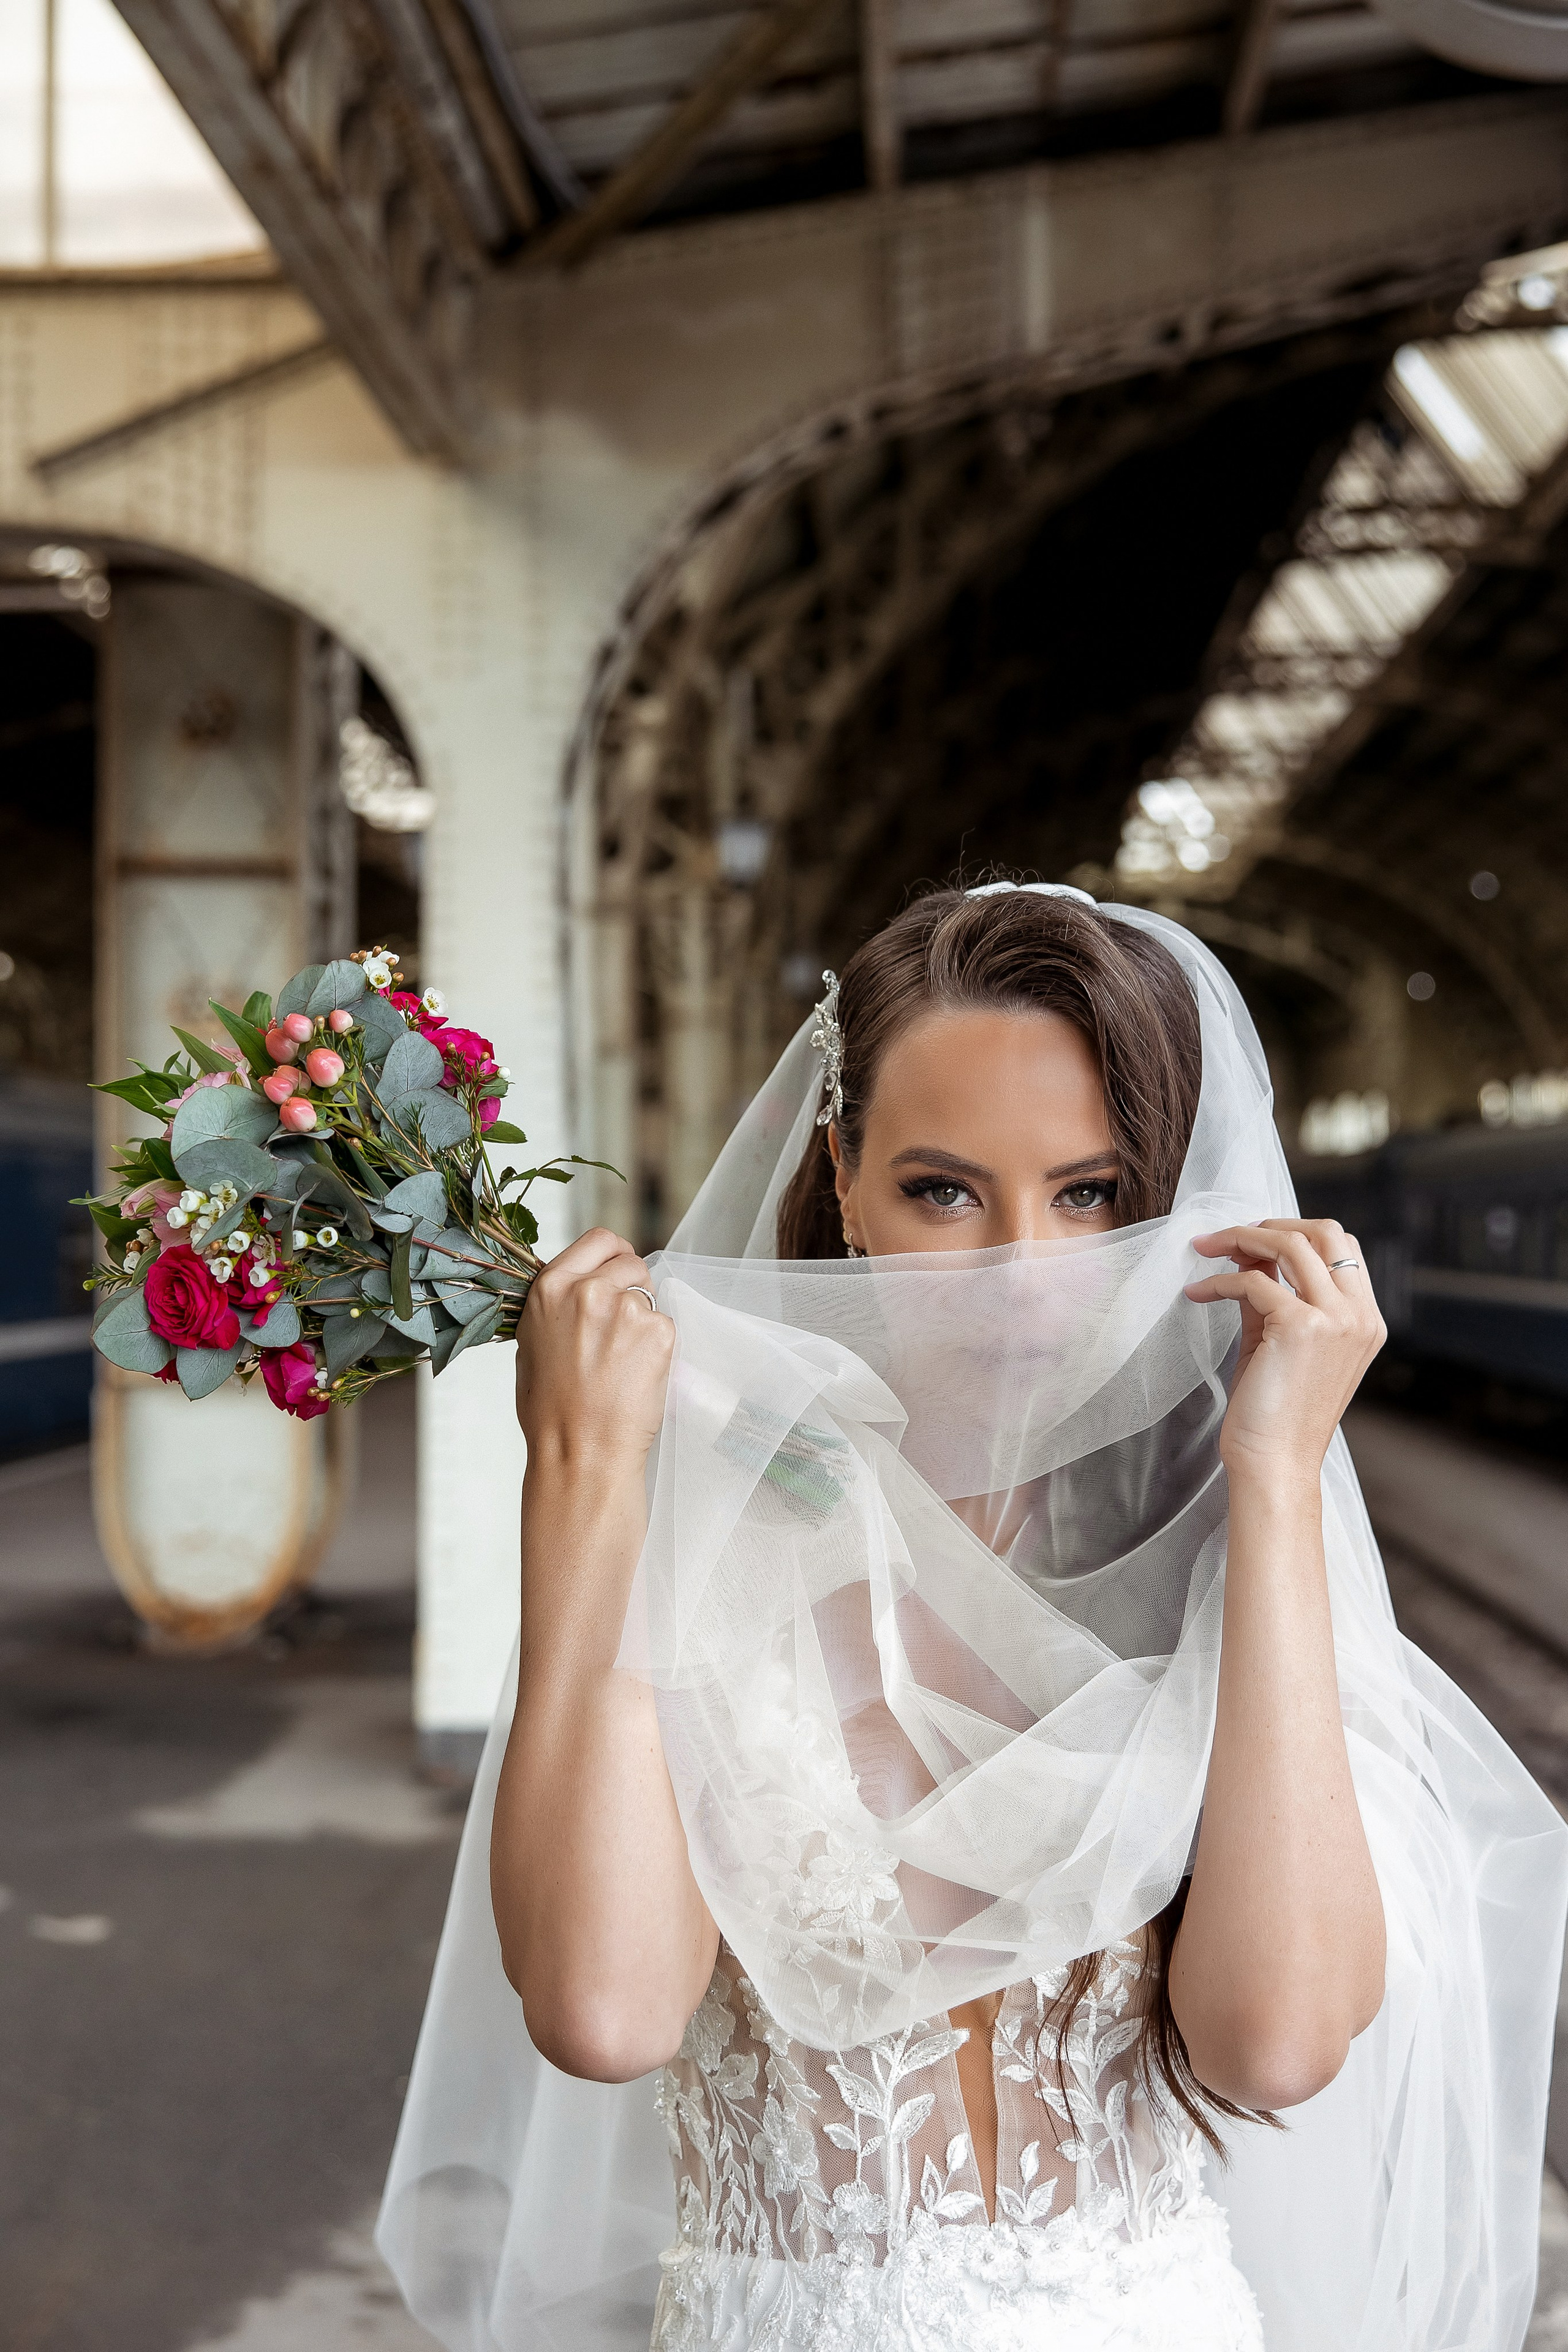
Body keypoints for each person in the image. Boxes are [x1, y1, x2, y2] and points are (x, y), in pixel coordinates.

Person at [379, 883, 1567, 2352]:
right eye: (943, 1192)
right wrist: (580, 1475)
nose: (1023, 1274)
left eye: (1091, 1196)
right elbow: (602, 2014)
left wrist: (1273, 1476)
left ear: (1177, 1213)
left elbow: (1274, 2044)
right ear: (842, 1180)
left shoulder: (1220, 1570)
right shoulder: (709, 1536)